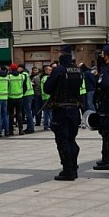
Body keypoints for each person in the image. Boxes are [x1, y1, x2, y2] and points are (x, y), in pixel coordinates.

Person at [44, 45, 83, 180]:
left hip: (61, 109)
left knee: (62, 140)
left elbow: (47, 88)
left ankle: (68, 170)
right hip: (74, 108)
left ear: (61, 54)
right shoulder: (77, 70)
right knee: (71, 139)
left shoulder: (59, 70)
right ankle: (74, 167)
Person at [7, 63, 25, 135]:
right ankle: (21, 130)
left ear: (10, 69)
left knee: (11, 114)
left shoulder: (9, 77)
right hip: (19, 96)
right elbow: (24, 86)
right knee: (19, 113)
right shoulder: (22, 76)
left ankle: (11, 130)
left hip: (11, 97)